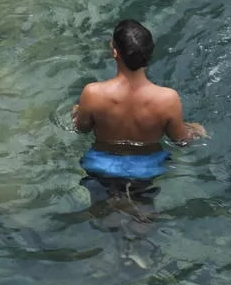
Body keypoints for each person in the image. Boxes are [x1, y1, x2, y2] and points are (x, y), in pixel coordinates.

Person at [73, 19, 205, 201]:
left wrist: (77, 111)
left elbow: (81, 129)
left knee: (100, 209)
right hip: (146, 168)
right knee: (142, 212)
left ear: (114, 52)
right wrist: (195, 129)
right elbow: (181, 141)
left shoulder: (93, 93)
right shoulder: (168, 99)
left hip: (101, 164)